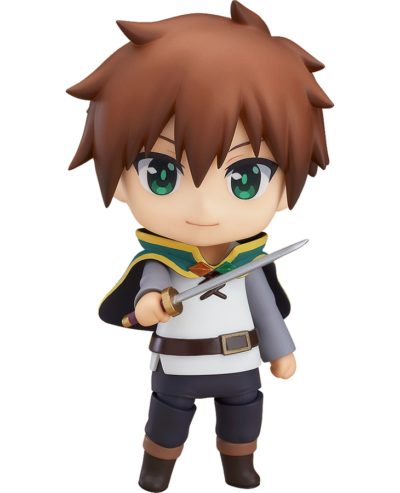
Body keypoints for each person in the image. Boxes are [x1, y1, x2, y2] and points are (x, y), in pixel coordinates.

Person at [67, 2, 333, 491]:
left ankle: (239, 465)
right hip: (179, 364)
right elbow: (144, 295)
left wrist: (281, 351)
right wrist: (149, 306)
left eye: (246, 177)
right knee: (168, 416)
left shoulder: (249, 264)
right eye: (161, 173)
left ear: (283, 191)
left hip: (239, 362)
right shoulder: (161, 261)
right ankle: (157, 467)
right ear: (123, 181)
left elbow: (266, 311)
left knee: (244, 413)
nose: (204, 208)